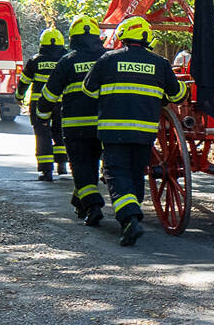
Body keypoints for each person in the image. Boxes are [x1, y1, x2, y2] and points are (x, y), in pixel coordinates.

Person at [79, 17, 186, 247]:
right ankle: (133, 213)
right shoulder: (160, 63)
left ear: (122, 36)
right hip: (144, 133)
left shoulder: (108, 59)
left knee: (117, 173)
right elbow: (177, 95)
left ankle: (130, 219)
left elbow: (88, 90)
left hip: (113, 131)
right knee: (136, 173)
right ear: (147, 38)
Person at [43, 16, 108, 226]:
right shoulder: (109, 58)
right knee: (95, 164)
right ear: (97, 37)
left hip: (77, 126)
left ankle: (93, 205)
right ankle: (79, 201)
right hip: (107, 124)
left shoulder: (67, 61)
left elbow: (50, 94)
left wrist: (42, 115)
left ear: (73, 38)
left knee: (82, 166)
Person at [21, 27, 68, 181]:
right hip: (62, 103)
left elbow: (24, 81)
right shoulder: (66, 60)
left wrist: (19, 96)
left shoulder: (35, 61)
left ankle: (46, 171)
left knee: (42, 135)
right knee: (60, 132)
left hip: (39, 104)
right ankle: (62, 165)